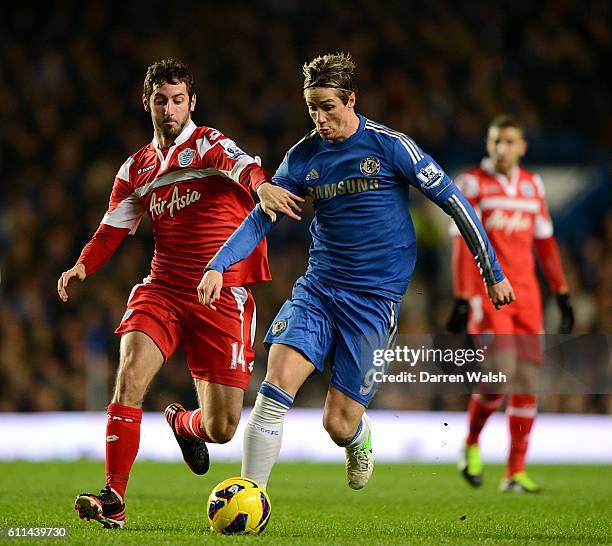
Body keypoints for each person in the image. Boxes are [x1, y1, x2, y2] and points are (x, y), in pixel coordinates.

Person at [198, 53, 515, 491]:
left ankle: (359, 437)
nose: (320, 117)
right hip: (318, 291)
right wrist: (218, 264)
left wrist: (491, 271)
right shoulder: (303, 157)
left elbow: (454, 201)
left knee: (339, 423)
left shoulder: (390, 146)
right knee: (272, 393)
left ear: (351, 99)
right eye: (312, 107)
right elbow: (260, 217)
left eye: (328, 106)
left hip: (372, 303)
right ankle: (253, 497)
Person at [57, 58, 302, 528]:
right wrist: (81, 265)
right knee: (128, 375)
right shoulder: (136, 169)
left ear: (191, 103)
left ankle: (181, 423)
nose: (169, 109)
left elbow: (245, 167)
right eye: (160, 100)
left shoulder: (208, 143)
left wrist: (265, 188)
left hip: (221, 294)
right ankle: (114, 498)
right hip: (163, 290)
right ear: (146, 103)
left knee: (221, 428)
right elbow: (112, 230)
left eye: (177, 100)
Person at [447, 114, 574, 493]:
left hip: (528, 297)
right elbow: (460, 243)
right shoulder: (471, 183)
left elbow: (545, 244)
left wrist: (562, 291)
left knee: (526, 380)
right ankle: (470, 442)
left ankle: (514, 472)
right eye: (495, 141)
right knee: (498, 374)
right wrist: (462, 297)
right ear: (488, 145)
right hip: (490, 294)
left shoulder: (533, 186)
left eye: (509, 142)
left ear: (522, 147)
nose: (502, 149)